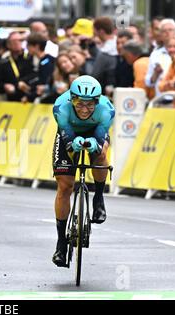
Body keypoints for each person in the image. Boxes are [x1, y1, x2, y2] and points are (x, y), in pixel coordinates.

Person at [51, 75, 115, 268]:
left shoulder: (106, 110)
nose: (85, 110)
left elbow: (101, 137)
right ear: (72, 99)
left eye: (90, 105)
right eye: (79, 104)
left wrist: (94, 144)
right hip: (69, 132)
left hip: (95, 131)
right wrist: (74, 144)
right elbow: (68, 139)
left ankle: (99, 198)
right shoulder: (60, 107)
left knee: (101, 154)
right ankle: (61, 242)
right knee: (65, 186)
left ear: (97, 102)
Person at [145, 19, 175, 97]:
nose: (167, 33)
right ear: (160, 35)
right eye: (164, 31)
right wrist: (156, 73)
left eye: (170, 30)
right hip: (161, 98)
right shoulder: (155, 54)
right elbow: (148, 83)